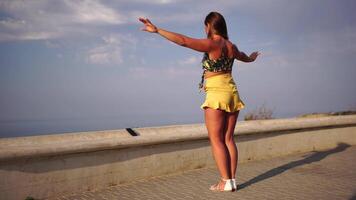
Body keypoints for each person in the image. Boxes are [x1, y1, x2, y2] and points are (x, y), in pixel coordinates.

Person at [139, 11, 259, 192]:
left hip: (217, 93)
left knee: (216, 140)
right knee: (228, 139)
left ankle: (224, 181)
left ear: (209, 26)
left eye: (205, 26)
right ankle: (232, 181)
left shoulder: (212, 43)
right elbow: (243, 56)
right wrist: (252, 58)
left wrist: (157, 30)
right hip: (232, 92)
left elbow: (183, 41)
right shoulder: (231, 46)